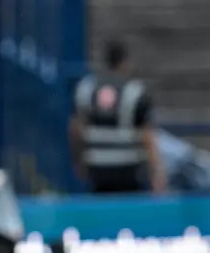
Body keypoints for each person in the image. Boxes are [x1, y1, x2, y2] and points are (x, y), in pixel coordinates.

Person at [69, 41, 166, 194]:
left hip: (97, 167)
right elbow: (147, 135)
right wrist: (156, 172)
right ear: (125, 62)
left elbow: (76, 128)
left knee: (100, 212)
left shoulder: (87, 88)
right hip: (128, 169)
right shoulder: (135, 91)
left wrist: (78, 161)